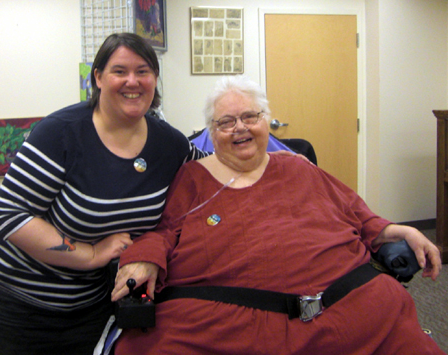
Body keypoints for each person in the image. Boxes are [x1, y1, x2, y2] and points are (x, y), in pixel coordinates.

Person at [112, 75, 445, 355]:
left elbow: (356, 212)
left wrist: (396, 231)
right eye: (226, 122)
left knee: (395, 316)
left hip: (345, 307)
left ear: (266, 122)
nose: (239, 128)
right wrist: (144, 258)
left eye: (249, 117)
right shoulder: (193, 177)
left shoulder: (299, 166)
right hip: (232, 324)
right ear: (212, 133)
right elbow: (163, 231)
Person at [0, 32, 214, 355]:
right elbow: (9, 217)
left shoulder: (168, 144)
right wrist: (90, 254)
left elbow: (213, 176)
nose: (133, 81)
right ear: (98, 77)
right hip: (7, 301)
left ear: (155, 79)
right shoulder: (61, 133)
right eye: (120, 71)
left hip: (86, 309)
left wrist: (276, 160)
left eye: (143, 71)